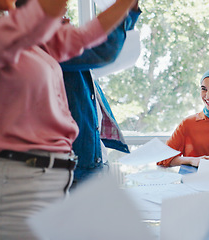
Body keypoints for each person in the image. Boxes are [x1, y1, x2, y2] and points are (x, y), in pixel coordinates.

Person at [0, 0, 138, 238]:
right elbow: (48, 10)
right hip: (21, 182)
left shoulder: (27, 38)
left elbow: (86, 37)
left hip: (53, 178)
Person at [60, 2, 141, 186]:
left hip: (90, 165)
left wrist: (130, 9)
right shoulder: (46, 45)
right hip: (74, 171)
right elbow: (103, 48)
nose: (66, 10)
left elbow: (110, 45)